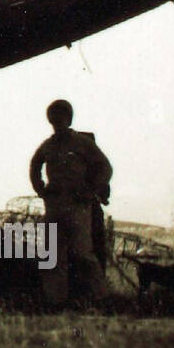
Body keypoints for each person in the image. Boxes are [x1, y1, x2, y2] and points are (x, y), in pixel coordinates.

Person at [29, 99, 111, 305]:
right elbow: (34, 166)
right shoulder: (48, 145)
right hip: (55, 205)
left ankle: (98, 298)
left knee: (83, 253)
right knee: (53, 256)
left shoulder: (82, 143)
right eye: (54, 117)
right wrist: (41, 189)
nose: (57, 121)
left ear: (68, 118)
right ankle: (56, 302)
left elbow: (105, 167)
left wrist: (90, 191)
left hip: (77, 206)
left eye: (61, 116)